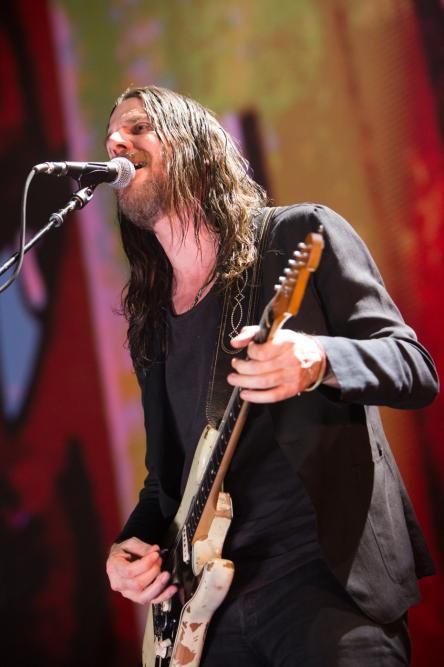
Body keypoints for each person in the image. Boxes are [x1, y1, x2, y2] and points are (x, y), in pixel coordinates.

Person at [105, 85, 438, 667]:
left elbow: (413, 366)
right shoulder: (151, 324)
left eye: (138, 127)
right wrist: (127, 552)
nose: (115, 141)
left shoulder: (298, 235)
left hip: (323, 586)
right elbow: (167, 483)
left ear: (194, 145)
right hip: (212, 619)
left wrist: (318, 359)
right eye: (111, 135)